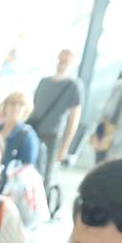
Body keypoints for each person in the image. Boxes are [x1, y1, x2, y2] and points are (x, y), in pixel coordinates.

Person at [31, 49, 85, 189]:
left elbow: (74, 119)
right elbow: (34, 108)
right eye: (60, 60)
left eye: (66, 61)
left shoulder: (73, 86)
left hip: (53, 137)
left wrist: (64, 147)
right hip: (35, 133)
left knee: (46, 177)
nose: (62, 63)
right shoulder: (44, 82)